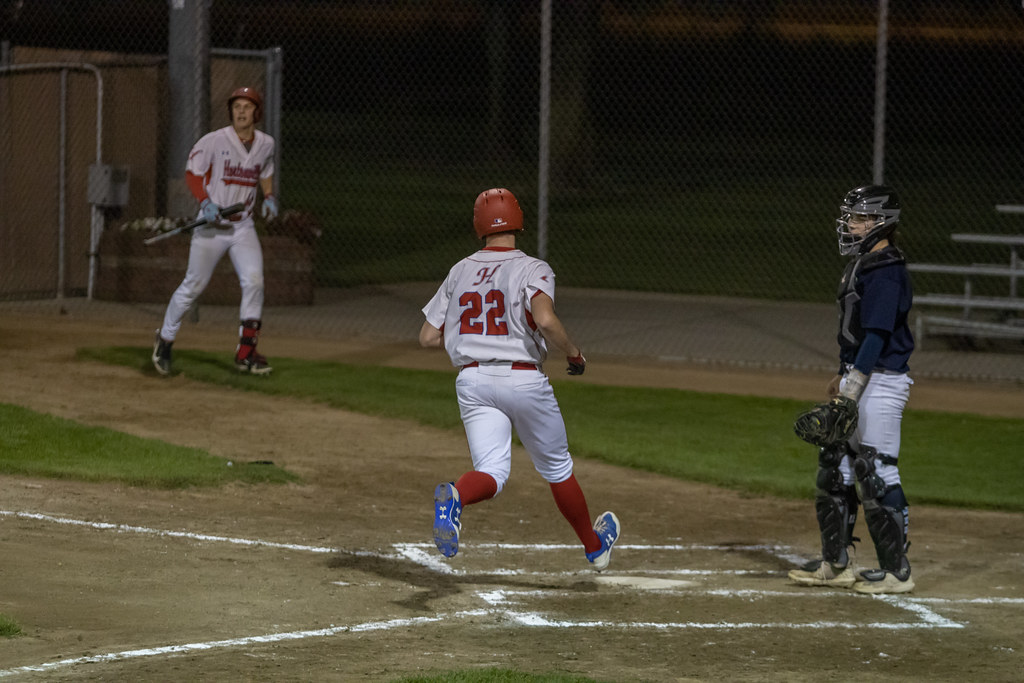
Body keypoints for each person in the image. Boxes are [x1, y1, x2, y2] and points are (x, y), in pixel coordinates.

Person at [419, 188, 620, 571]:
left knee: (493, 471)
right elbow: (545, 320)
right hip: (523, 379)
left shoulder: (459, 270)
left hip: (472, 380)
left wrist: (469, 337)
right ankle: (595, 548)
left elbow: (427, 336)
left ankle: (456, 499)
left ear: (479, 226)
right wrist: (573, 353)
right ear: (518, 221)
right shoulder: (532, 267)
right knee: (557, 468)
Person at [789, 184, 915, 594]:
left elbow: (877, 336)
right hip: (861, 374)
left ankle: (897, 573)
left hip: (881, 380)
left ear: (882, 223)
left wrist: (852, 386)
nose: (851, 224)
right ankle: (835, 562)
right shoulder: (865, 263)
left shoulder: (886, 269)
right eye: (852, 217)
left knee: (875, 471)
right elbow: (858, 337)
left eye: (860, 218)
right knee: (836, 469)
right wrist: (842, 374)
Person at [152, 86, 278, 376]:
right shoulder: (214, 141)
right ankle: (165, 339)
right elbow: (193, 174)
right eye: (237, 107)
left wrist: (269, 196)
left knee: (254, 282)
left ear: (256, 113)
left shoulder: (266, 143)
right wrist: (206, 202)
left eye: (247, 107)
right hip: (212, 226)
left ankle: (246, 352)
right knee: (193, 286)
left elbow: (266, 169)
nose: (241, 112)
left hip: (243, 226)